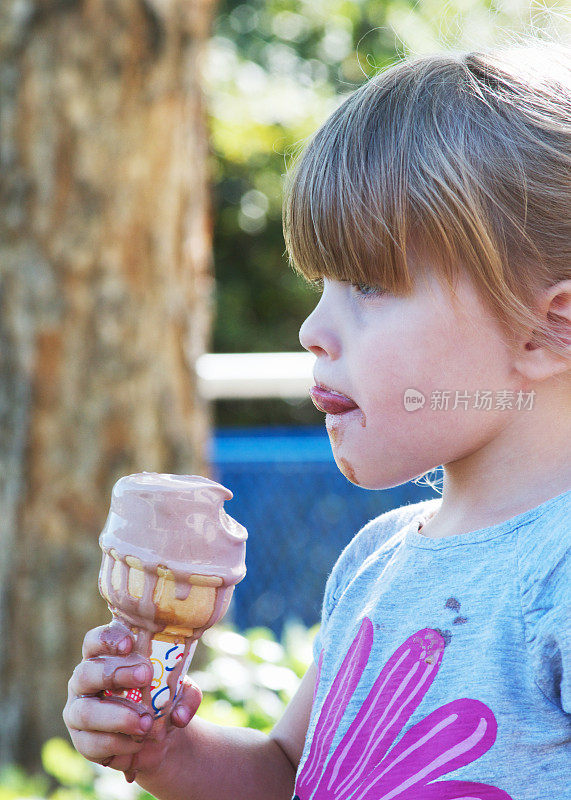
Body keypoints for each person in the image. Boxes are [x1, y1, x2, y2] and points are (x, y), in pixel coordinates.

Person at [64, 40, 571, 800]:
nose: (312, 329)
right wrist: (166, 751)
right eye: (322, 284)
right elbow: (289, 776)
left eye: (368, 282)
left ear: (544, 330)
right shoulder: (376, 559)